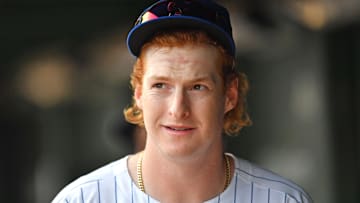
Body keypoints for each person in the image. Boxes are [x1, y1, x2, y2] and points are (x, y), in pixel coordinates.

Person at [52, 0, 313, 202]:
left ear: (230, 95)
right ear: (139, 93)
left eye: (198, 86)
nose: (178, 109)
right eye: (160, 85)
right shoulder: (82, 199)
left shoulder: (282, 199)